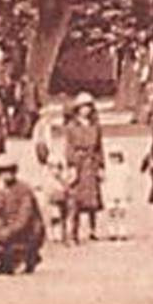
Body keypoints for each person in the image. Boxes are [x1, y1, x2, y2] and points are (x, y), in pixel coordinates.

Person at [63, 93, 105, 244]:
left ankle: (93, 230)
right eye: (82, 107)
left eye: (88, 107)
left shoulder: (95, 126)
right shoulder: (71, 127)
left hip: (91, 163)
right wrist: (72, 166)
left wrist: (101, 166)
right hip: (79, 164)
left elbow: (100, 148)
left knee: (93, 199)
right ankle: (73, 232)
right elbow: (69, 148)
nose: (85, 110)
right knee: (76, 200)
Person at [102, 149, 133, 241]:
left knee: (122, 213)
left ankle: (122, 231)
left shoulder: (125, 168)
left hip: (121, 192)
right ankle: (112, 232)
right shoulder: (108, 168)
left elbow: (128, 181)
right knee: (111, 213)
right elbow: (104, 180)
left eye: (116, 157)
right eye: (112, 157)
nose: (114, 159)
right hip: (111, 193)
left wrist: (128, 193)